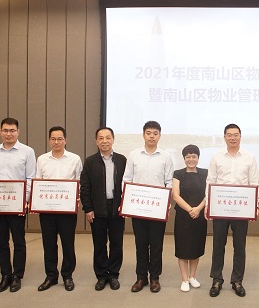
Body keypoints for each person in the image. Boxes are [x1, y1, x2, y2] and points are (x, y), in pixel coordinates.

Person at [0, 117, 36, 293]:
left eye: (12, 130)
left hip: (17, 205)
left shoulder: (27, 152)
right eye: (5, 130)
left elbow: (30, 178)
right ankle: (5, 275)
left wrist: (25, 201)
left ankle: (17, 276)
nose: (9, 134)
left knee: (19, 241)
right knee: (1, 242)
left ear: (18, 132)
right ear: (0, 132)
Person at [206, 123, 258, 298]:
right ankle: (217, 279)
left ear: (240, 137)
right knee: (218, 245)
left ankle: (237, 280)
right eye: (229, 135)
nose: (233, 138)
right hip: (220, 208)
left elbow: (253, 183)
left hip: (241, 209)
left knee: (240, 246)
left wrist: (254, 207)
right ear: (224, 137)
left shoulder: (249, 157)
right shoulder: (216, 157)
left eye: (236, 135)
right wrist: (208, 205)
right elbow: (210, 181)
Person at [123, 120, 174, 293]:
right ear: (143, 134)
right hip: (137, 207)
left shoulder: (166, 156)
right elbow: (127, 179)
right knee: (141, 243)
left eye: (155, 133)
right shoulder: (134, 155)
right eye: (149, 133)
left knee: (156, 244)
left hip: (158, 208)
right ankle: (141, 277)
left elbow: (169, 181)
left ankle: (155, 278)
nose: (152, 136)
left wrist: (166, 202)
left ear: (159, 135)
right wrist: (127, 202)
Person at [35, 126, 83, 292]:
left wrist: (76, 196)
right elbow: (38, 182)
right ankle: (51, 276)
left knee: (68, 243)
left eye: (60, 139)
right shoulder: (42, 159)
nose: (57, 142)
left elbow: (79, 182)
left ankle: (67, 275)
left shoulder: (75, 159)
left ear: (65, 140)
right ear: (49, 141)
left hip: (67, 210)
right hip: (46, 210)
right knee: (49, 244)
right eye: (53, 139)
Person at [80, 127, 127, 291]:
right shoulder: (90, 162)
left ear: (113, 140)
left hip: (117, 208)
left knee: (116, 243)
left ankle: (113, 275)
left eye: (108, 137)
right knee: (99, 244)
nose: (104, 141)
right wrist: (88, 208)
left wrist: (126, 206)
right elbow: (85, 187)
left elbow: (128, 184)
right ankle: (101, 276)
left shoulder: (122, 160)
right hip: (97, 208)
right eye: (101, 138)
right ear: (96, 141)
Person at [172, 144, 208, 292]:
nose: (191, 159)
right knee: (183, 248)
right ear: (184, 158)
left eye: (194, 156)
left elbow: (209, 193)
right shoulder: (178, 174)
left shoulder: (205, 173)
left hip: (199, 215)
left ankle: (192, 277)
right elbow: (176, 195)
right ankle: (184, 279)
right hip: (183, 216)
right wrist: (190, 210)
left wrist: (198, 209)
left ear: (198, 158)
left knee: (196, 247)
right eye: (188, 157)